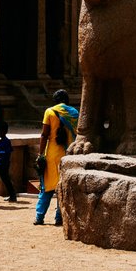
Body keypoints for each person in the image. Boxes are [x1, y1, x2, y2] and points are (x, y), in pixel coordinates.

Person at [35, 89, 77, 226]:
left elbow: (44, 134)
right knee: (62, 188)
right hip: (68, 154)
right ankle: (59, 218)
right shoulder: (75, 113)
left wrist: (40, 154)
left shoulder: (50, 112)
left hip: (52, 154)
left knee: (46, 187)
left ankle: (39, 217)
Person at [0, 121, 17, 203]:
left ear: (3, 131)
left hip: (1, 165)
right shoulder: (3, 140)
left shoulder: (6, 141)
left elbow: (6, 152)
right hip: (2, 164)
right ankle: (12, 195)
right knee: (6, 180)